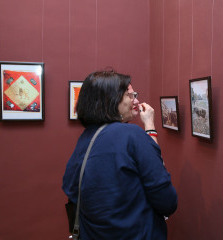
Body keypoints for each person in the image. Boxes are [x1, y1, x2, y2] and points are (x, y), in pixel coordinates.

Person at [62, 69, 178, 240]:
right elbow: (167, 201)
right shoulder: (131, 135)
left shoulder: (86, 138)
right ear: (111, 101)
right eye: (130, 96)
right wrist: (150, 128)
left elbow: (70, 187)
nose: (136, 101)